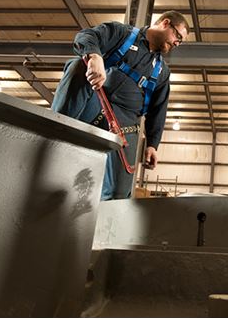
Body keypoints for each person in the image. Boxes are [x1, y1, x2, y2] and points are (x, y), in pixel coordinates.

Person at [52, 11, 190, 200]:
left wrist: (152, 145)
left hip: (125, 125)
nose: (177, 44)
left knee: (119, 192)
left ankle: (105, 225)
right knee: (78, 66)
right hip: (94, 104)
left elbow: (159, 110)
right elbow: (86, 36)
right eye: (178, 37)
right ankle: (54, 131)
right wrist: (94, 56)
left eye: (180, 42)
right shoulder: (122, 34)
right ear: (166, 23)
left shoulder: (162, 72)